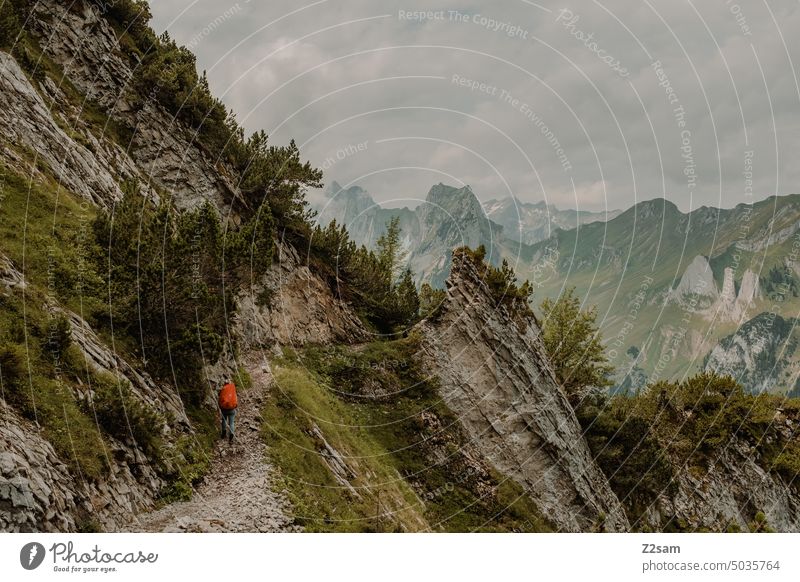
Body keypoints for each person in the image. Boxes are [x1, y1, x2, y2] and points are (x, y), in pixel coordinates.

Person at [218, 379, 238, 444]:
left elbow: (220, 399)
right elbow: (235, 398)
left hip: (224, 409)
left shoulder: (223, 389)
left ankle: (223, 433)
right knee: (231, 423)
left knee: (224, 420)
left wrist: (220, 406)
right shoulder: (232, 388)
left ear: (224, 383)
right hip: (232, 408)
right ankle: (231, 436)